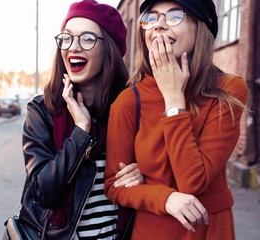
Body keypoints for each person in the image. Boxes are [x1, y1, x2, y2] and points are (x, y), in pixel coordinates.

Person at [104, 0, 249, 239]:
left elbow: (193, 181)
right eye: (151, 18)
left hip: (210, 231)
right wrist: (164, 197)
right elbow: (113, 185)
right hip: (153, 230)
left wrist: (173, 98)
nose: (158, 25)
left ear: (203, 25)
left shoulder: (228, 90)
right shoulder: (129, 100)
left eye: (173, 16)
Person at [19, 0, 143, 239]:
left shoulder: (131, 109)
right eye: (67, 38)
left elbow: (158, 174)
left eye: (87, 39)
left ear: (110, 49)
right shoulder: (41, 111)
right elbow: (43, 192)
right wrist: (81, 132)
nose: (73, 47)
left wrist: (143, 174)